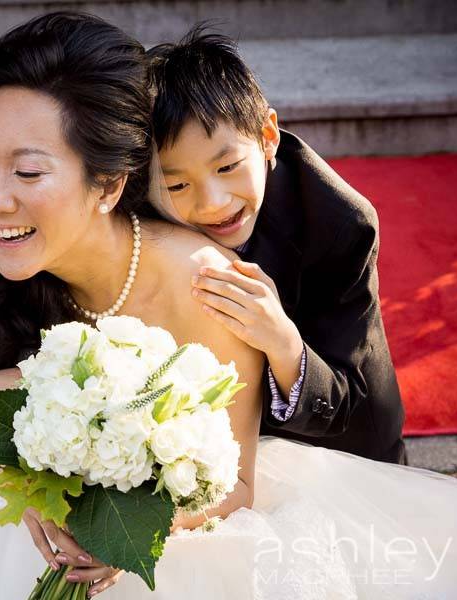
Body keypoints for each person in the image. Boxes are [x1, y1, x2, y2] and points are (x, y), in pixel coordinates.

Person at [0, 12, 457, 599]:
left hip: (323, 437)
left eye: (26, 171)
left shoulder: (237, 270)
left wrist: (121, 533)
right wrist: (28, 487)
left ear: (111, 184)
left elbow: (234, 483)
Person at [148, 27, 405, 464]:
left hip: (341, 445)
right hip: (211, 436)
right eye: (177, 183)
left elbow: (343, 395)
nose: (213, 202)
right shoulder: (143, 209)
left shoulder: (340, 223)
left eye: (227, 166)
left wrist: (282, 341)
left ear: (268, 136)